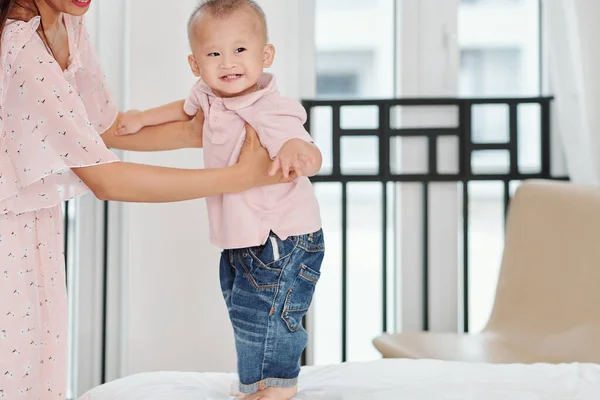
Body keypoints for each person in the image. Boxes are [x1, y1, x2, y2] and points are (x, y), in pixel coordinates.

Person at [0, 0, 295, 398]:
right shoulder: (22, 48)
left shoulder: (70, 24)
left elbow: (103, 128)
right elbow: (107, 179)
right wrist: (236, 177)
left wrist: (207, 130)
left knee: (38, 363)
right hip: (11, 231)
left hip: (34, 226)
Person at [116, 1, 324, 399]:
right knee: (246, 313)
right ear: (196, 65)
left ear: (266, 55)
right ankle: (255, 385)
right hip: (244, 236)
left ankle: (280, 387)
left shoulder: (269, 107)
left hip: (280, 236)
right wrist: (142, 118)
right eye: (214, 54)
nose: (227, 62)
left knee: (274, 313)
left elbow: (300, 140)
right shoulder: (208, 96)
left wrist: (302, 153)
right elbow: (183, 110)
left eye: (240, 50)